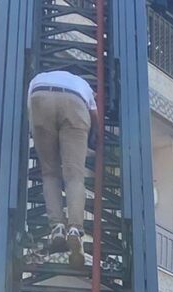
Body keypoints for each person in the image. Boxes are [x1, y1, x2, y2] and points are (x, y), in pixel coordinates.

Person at [28, 67, 99, 267]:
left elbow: (30, 115)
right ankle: (75, 229)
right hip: (75, 105)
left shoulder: (38, 78)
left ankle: (57, 227)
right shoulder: (83, 86)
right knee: (74, 176)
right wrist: (95, 137)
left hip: (40, 97)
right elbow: (95, 115)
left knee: (50, 173)